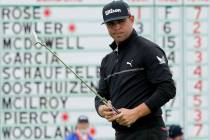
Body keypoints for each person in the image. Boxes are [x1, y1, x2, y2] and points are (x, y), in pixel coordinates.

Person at [94, 1, 176, 140]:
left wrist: (135, 113)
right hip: (121, 134)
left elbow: (167, 88)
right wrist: (102, 110)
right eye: (111, 24)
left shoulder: (148, 49)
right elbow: (100, 96)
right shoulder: (107, 61)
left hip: (149, 133)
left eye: (121, 21)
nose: (117, 27)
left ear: (131, 19)